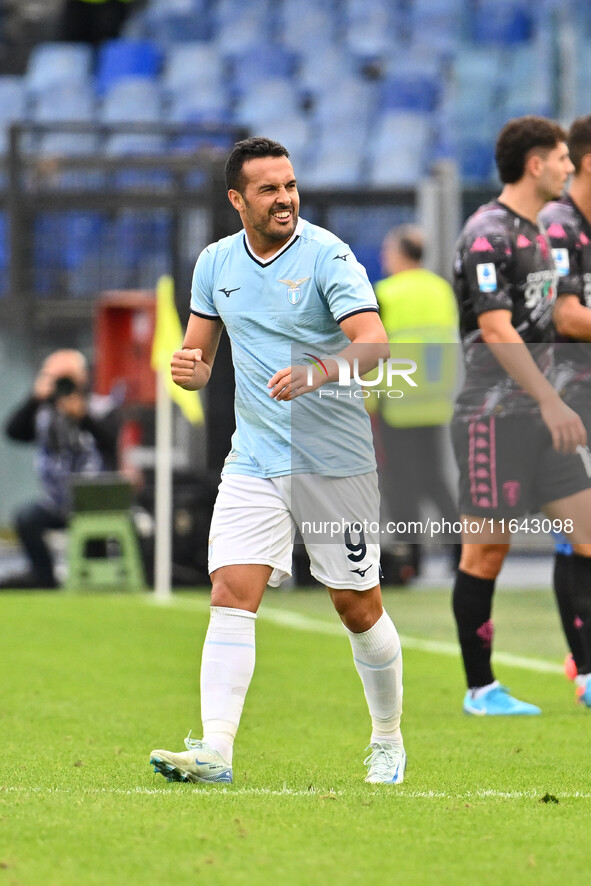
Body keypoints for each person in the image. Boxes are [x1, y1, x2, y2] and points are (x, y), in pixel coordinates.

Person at [150, 136, 406, 785]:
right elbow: (198, 360)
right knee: (230, 594)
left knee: (357, 605)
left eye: (289, 185)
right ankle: (216, 749)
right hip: (254, 457)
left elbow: (373, 343)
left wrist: (318, 371)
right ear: (237, 199)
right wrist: (189, 370)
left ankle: (386, 738)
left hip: (332, 460)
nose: (285, 198)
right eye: (269, 189)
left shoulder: (328, 256)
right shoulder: (213, 264)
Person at [451, 115, 591, 715]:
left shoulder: (537, 233)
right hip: (493, 416)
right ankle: (480, 688)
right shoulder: (487, 232)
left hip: (539, 417)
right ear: (535, 164)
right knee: (486, 552)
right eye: (561, 157)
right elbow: (496, 329)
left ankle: (587, 673)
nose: (569, 165)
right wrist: (551, 397)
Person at [539, 113, 591, 707]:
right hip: (567, 399)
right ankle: (584, 666)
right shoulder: (557, 225)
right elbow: (564, 314)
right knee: (577, 536)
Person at [374, 225, 460, 580]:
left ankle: (412, 559)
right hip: (435, 403)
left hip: (397, 405)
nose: (383, 258)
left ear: (400, 255)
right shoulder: (442, 290)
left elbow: (371, 353)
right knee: (436, 480)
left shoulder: (385, 293)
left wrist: (368, 405)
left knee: (401, 484)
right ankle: (461, 552)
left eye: (387, 251)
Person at [1, 349, 119, 589]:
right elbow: (13, 431)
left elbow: (111, 443)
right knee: (26, 519)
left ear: (82, 378)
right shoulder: (42, 412)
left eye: (66, 377)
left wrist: (83, 418)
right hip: (55, 501)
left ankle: (96, 580)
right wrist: (34, 398)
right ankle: (44, 577)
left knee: (94, 541)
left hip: (93, 501)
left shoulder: (100, 407)